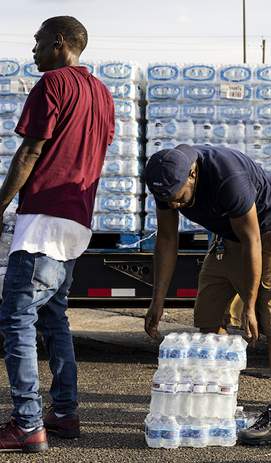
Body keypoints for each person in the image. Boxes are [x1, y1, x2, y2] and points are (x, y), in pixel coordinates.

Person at [0, 17, 114, 452]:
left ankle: (28, 424)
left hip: (42, 221)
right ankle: (64, 413)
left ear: (59, 43)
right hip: (77, 222)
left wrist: (0, 205)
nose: (33, 50)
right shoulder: (102, 94)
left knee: (16, 318)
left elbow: (30, 150)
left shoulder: (52, 86)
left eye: (38, 42)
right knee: (53, 316)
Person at [143, 144, 271, 445]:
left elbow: (252, 240)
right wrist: (157, 300)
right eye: (167, 201)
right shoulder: (165, 180)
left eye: (178, 199)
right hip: (228, 236)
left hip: (269, 232)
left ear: (192, 174)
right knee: (209, 315)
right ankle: (215, 403)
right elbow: (166, 239)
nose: (174, 206)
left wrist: (250, 305)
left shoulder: (229, 178)